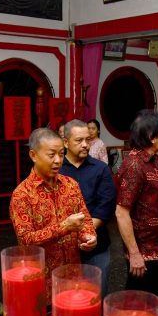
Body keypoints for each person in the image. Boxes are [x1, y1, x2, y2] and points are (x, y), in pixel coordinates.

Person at [10, 128, 97, 276]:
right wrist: (64, 227)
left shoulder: (71, 185)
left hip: (72, 272)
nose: (58, 160)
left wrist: (88, 237)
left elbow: (85, 220)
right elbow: (25, 241)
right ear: (33, 155)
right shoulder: (22, 194)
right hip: (41, 276)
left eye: (61, 154)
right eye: (51, 155)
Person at [114, 110, 158, 303]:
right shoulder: (134, 165)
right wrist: (135, 254)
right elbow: (121, 212)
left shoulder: (152, 161)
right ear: (151, 136)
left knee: (156, 299)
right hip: (144, 254)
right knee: (139, 303)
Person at [59, 120, 116, 294]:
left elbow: (106, 204)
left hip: (95, 243)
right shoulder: (57, 168)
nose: (85, 145)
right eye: (79, 140)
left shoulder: (101, 169)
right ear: (66, 142)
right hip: (62, 245)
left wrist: (86, 232)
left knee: (95, 296)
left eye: (88, 140)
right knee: (65, 297)